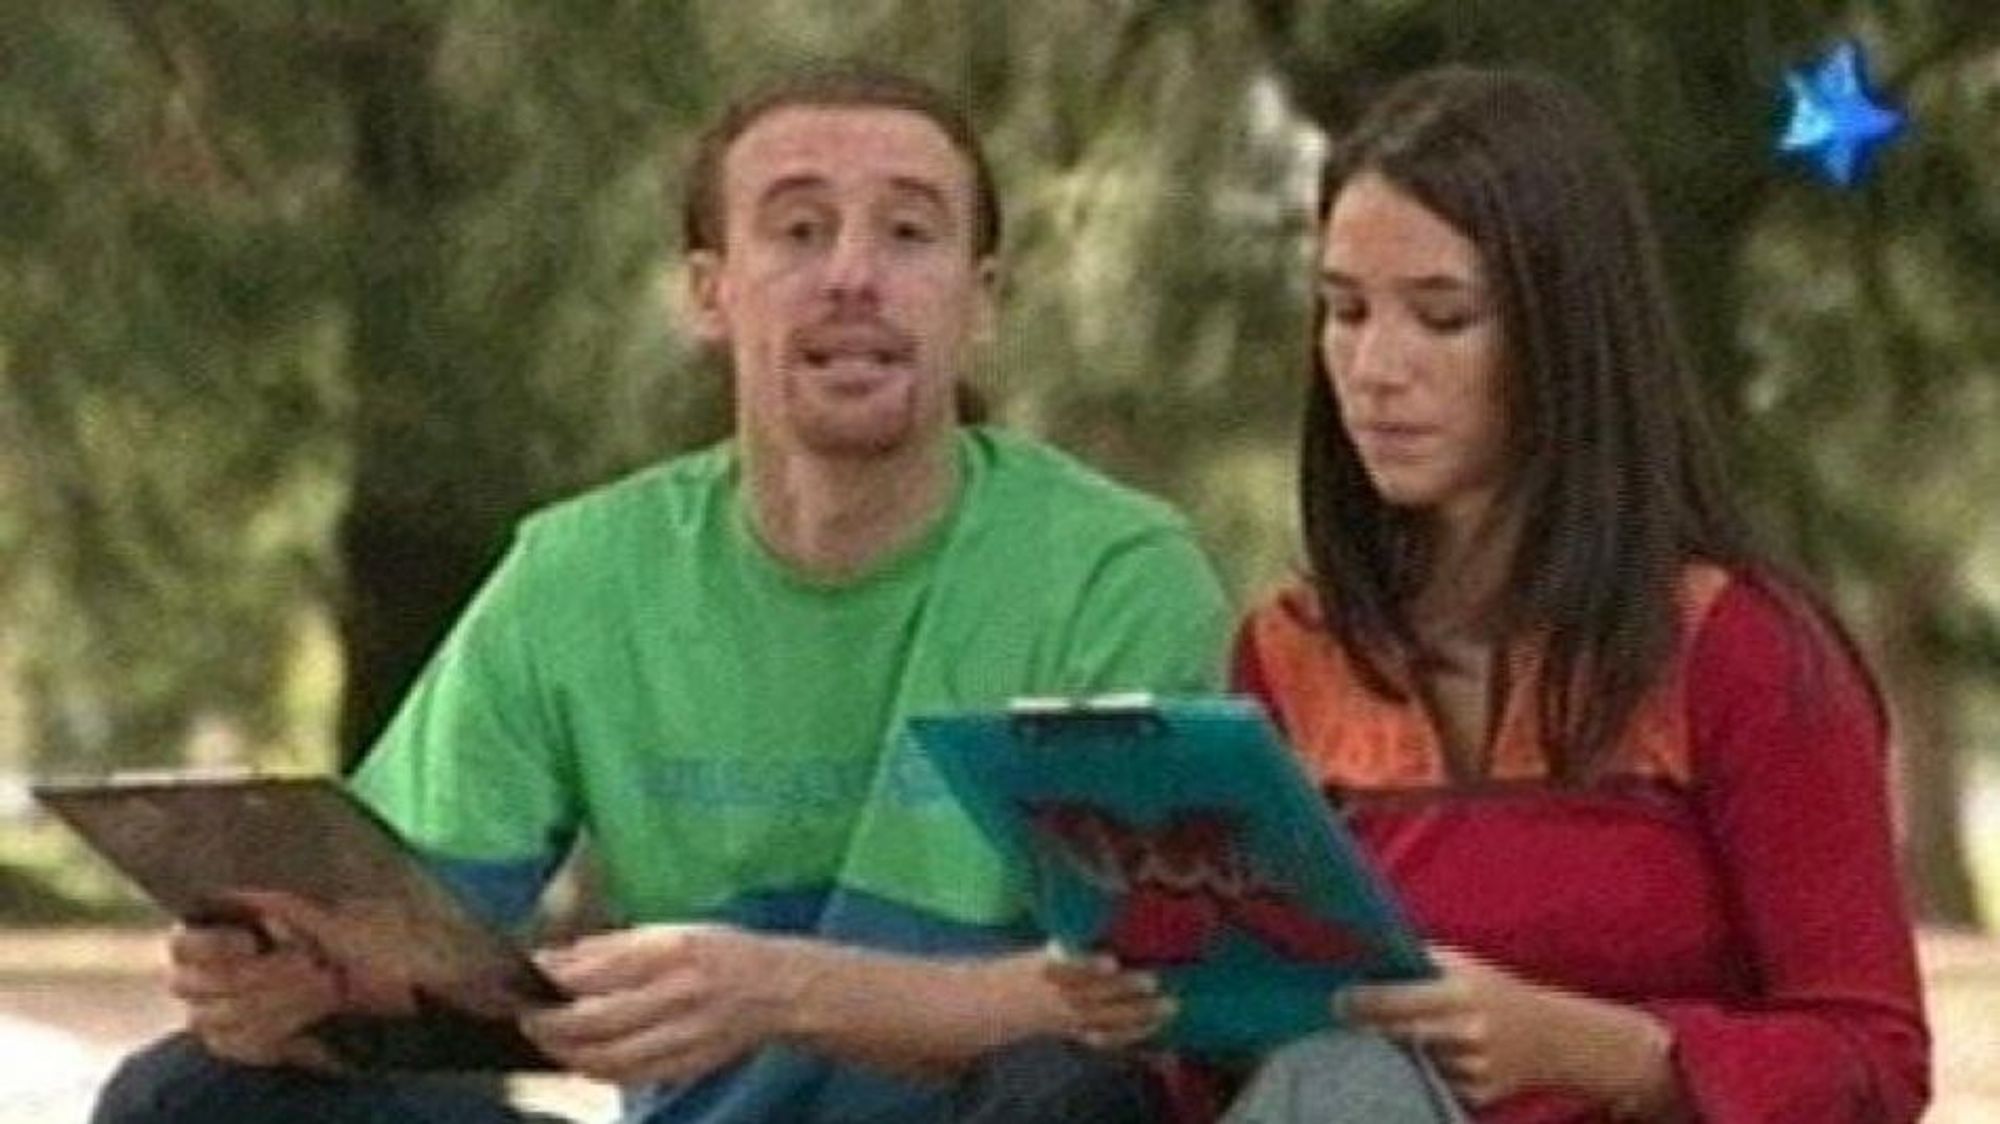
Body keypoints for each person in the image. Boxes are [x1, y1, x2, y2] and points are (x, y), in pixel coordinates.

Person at [93, 66, 1224, 1124]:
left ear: (979, 301)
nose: (852, 275)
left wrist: (779, 990)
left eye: (909, 232)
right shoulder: (578, 572)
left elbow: (1161, 985)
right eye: (798, 229)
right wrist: (287, 990)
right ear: (708, 293)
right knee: (191, 1091)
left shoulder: (1110, 570)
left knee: (1072, 1088)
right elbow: (400, 947)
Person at [1221, 66, 1928, 1122]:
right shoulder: (1291, 652)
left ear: (1564, 333)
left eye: (1442, 317)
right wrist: (1160, 1003)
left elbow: (1874, 1062)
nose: (1373, 367)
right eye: (1344, 310)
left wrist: (1596, 1050)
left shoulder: (1738, 648)